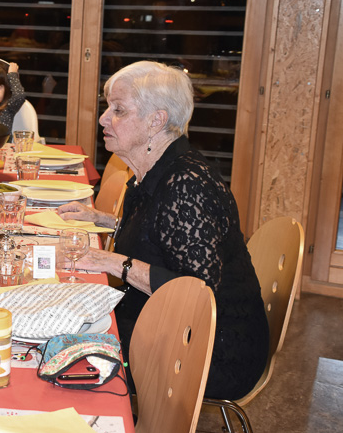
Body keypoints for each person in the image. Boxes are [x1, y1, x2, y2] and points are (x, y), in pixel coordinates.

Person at [56, 61, 268, 400]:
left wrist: (113, 262)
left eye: (119, 110)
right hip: (163, 322)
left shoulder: (187, 185)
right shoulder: (156, 170)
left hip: (208, 350)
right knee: (64, 318)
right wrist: (103, 219)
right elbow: (160, 233)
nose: (104, 119)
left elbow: (196, 293)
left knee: (62, 351)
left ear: (156, 120)